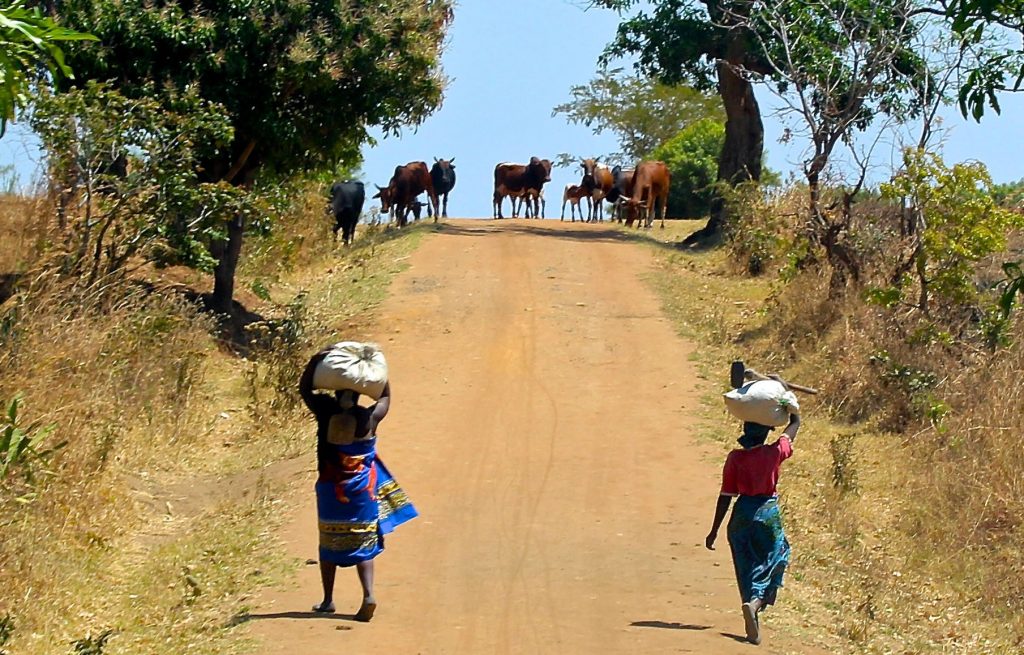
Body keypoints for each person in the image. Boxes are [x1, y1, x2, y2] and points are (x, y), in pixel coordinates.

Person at [299, 349, 418, 621]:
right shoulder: (368, 419)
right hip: (362, 492)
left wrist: (317, 359)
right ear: (359, 396)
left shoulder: (326, 412)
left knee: (328, 543)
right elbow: (385, 398)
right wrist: (379, 371)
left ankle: (328, 600)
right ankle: (368, 594)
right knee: (364, 542)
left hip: (331, 489)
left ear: (337, 394)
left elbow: (306, 390)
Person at [705, 401, 801, 646]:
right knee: (776, 557)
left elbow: (726, 495)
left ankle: (752, 623)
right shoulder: (773, 453)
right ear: (767, 431)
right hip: (767, 513)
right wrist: (790, 405)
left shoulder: (735, 458)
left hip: (740, 516)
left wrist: (714, 530)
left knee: (746, 568)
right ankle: (757, 603)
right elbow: (794, 426)